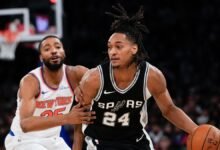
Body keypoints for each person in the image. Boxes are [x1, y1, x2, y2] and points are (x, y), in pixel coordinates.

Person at [75, 4, 198, 150]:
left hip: (136, 141)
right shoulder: (94, 79)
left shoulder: (152, 76)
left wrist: (197, 130)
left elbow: (169, 109)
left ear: (134, 48)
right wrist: (77, 146)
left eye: (118, 46)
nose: (112, 52)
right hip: (101, 142)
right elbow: (79, 115)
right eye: (109, 47)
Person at [4, 35, 96, 150]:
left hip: (53, 140)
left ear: (64, 52)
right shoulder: (31, 81)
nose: (53, 51)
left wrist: (76, 147)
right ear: (41, 57)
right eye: (47, 49)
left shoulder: (76, 74)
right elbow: (25, 125)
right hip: (23, 140)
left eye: (58, 47)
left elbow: (80, 115)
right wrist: (67, 118)